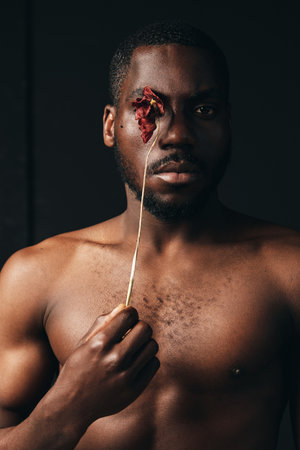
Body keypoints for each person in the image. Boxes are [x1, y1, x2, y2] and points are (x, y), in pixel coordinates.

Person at [0, 20, 299, 449]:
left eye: (204, 110)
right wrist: (67, 406)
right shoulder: (34, 276)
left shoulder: (289, 270)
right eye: (149, 109)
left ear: (228, 123)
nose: (177, 135)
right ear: (109, 126)